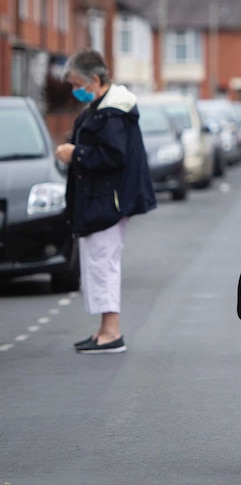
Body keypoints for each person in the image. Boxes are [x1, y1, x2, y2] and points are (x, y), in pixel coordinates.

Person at [55, 49, 156, 354]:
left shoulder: (111, 112)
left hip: (106, 201)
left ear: (95, 80)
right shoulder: (104, 107)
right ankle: (104, 329)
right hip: (102, 199)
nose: (75, 91)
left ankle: (111, 332)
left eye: (77, 84)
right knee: (99, 262)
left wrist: (76, 154)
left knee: (102, 263)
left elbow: (113, 156)